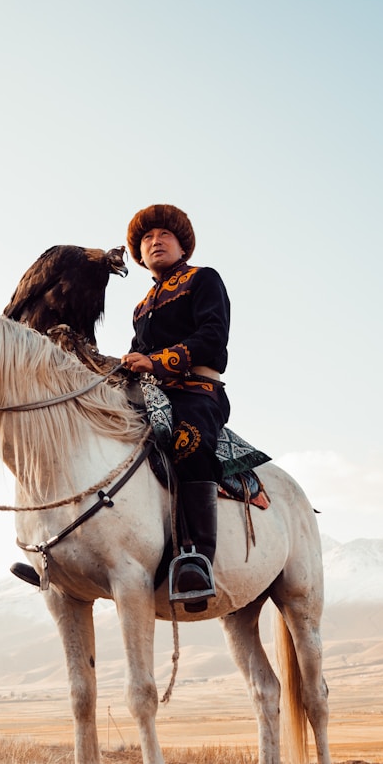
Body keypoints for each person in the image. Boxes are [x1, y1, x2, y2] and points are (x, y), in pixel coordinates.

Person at [121, 203, 231, 610]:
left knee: (189, 438)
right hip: (150, 396)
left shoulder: (203, 279)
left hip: (196, 391)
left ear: (182, 244)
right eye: (147, 239)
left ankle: (197, 559)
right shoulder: (142, 306)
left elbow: (213, 337)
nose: (155, 241)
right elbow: (138, 354)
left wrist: (157, 361)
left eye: (164, 235)